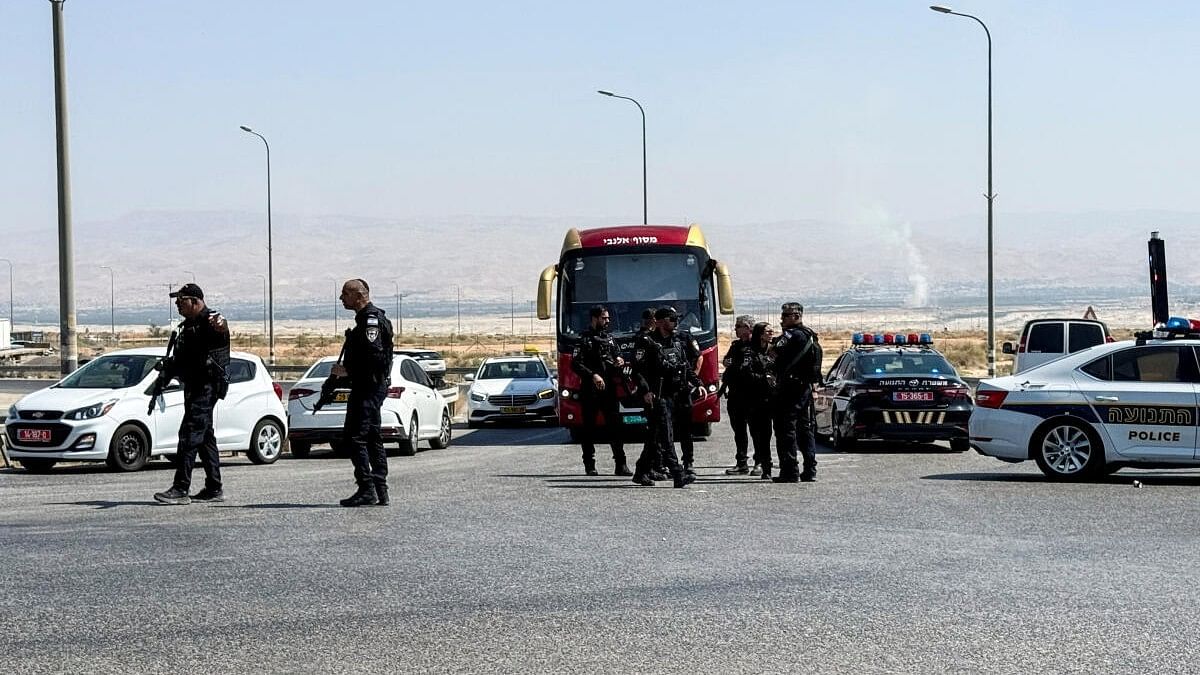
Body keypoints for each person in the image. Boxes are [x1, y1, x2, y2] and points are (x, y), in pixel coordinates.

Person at [153, 283, 230, 505]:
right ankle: (214, 487)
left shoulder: (210, 321)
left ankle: (180, 488)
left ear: (195, 301)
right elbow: (183, 358)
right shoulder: (187, 326)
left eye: (181, 301)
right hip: (194, 386)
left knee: (189, 434)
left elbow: (221, 327)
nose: (177, 305)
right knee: (205, 437)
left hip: (206, 386)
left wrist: (221, 324)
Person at [334, 278, 395, 507]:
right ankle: (380, 489)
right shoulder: (366, 320)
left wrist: (347, 370)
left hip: (368, 387)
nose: (342, 299)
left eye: (346, 294)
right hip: (368, 386)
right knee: (371, 436)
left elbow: (375, 357)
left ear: (359, 296)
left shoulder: (370, 321)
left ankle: (368, 487)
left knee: (355, 438)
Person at [631, 306, 703, 488]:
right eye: (672, 319)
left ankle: (640, 472)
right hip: (657, 395)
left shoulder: (677, 342)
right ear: (661, 322)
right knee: (666, 434)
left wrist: (698, 383)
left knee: (654, 437)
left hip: (675, 394)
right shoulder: (646, 342)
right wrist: (646, 390)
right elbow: (637, 370)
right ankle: (678, 473)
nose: (676, 322)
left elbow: (684, 366)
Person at [570, 304, 631, 476]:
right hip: (590, 390)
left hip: (609, 389)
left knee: (615, 427)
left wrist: (619, 359)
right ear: (595, 318)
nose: (607, 321)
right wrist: (593, 376)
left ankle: (621, 464)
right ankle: (590, 464)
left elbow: (618, 355)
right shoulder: (583, 340)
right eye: (604, 318)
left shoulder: (610, 339)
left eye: (608, 318)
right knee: (588, 428)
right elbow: (575, 363)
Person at [769, 302, 819, 483]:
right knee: (805, 429)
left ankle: (790, 471)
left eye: (785, 316)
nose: (781, 319)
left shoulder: (791, 335)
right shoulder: (810, 335)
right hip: (804, 388)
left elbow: (773, 353)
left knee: (785, 429)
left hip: (789, 389)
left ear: (796, 316)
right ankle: (810, 469)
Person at [721, 315, 757, 475]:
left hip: (753, 395)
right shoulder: (736, 345)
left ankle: (760, 462)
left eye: (738, 326)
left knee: (757, 431)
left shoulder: (758, 345)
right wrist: (727, 362)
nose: (736, 329)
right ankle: (741, 463)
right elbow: (727, 360)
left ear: (748, 328)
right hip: (735, 395)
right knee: (739, 432)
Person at [745, 322, 777, 479]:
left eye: (772, 331)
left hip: (774, 397)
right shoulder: (750, 352)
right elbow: (746, 374)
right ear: (760, 334)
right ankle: (765, 467)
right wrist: (764, 378)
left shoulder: (775, 350)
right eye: (767, 331)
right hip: (755, 399)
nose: (771, 333)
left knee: (774, 433)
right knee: (760, 435)